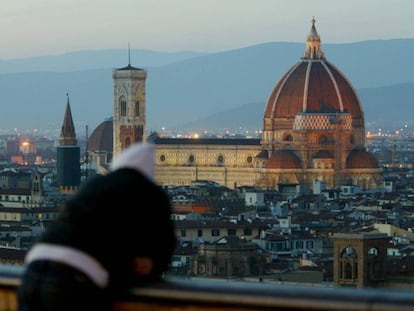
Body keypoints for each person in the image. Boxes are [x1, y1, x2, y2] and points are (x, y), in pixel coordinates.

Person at [17, 142, 176, 311]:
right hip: (76, 277)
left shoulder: (93, 184)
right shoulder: (150, 194)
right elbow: (164, 245)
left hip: (34, 266)